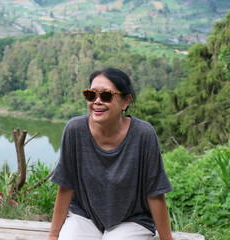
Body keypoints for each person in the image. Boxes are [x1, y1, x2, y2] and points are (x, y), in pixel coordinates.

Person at [47, 67, 173, 240]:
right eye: (91, 95)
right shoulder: (75, 130)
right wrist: (53, 236)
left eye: (106, 95)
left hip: (132, 220)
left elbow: (155, 193)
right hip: (84, 216)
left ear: (125, 101)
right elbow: (66, 186)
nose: (97, 101)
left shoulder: (143, 134)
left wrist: (168, 238)